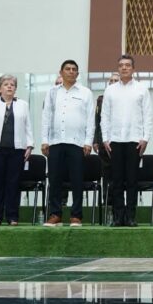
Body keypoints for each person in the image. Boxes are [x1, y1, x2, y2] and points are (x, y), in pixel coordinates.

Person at [101, 54, 153, 227]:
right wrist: (105, 138)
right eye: (121, 65)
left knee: (131, 180)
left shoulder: (141, 89)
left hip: (135, 140)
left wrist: (145, 138)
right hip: (114, 140)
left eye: (127, 65)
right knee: (116, 180)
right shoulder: (110, 90)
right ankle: (118, 217)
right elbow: (105, 115)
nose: (124, 68)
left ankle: (130, 216)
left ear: (133, 69)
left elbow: (148, 115)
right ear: (118, 68)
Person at [42, 60, 95, 227]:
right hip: (55, 141)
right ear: (61, 72)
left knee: (76, 180)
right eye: (67, 69)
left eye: (74, 70)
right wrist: (44, 140)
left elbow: (90, 119)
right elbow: (46, 117)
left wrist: (88, 141)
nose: (71, 72)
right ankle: (55, 214)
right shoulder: (52, 92)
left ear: (77, 74)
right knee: (55, 179)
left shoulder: (85, 93)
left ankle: (76, 215)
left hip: (77, 143)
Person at [0, 74, 33, 226]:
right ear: (0, 88)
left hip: (17, 149)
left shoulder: (23, 104)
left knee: (13, 183)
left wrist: (29, 145)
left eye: (12, 84)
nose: (9, 86)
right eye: (6, 84)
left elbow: (28, 126)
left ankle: (12, 216)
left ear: (15, 88)